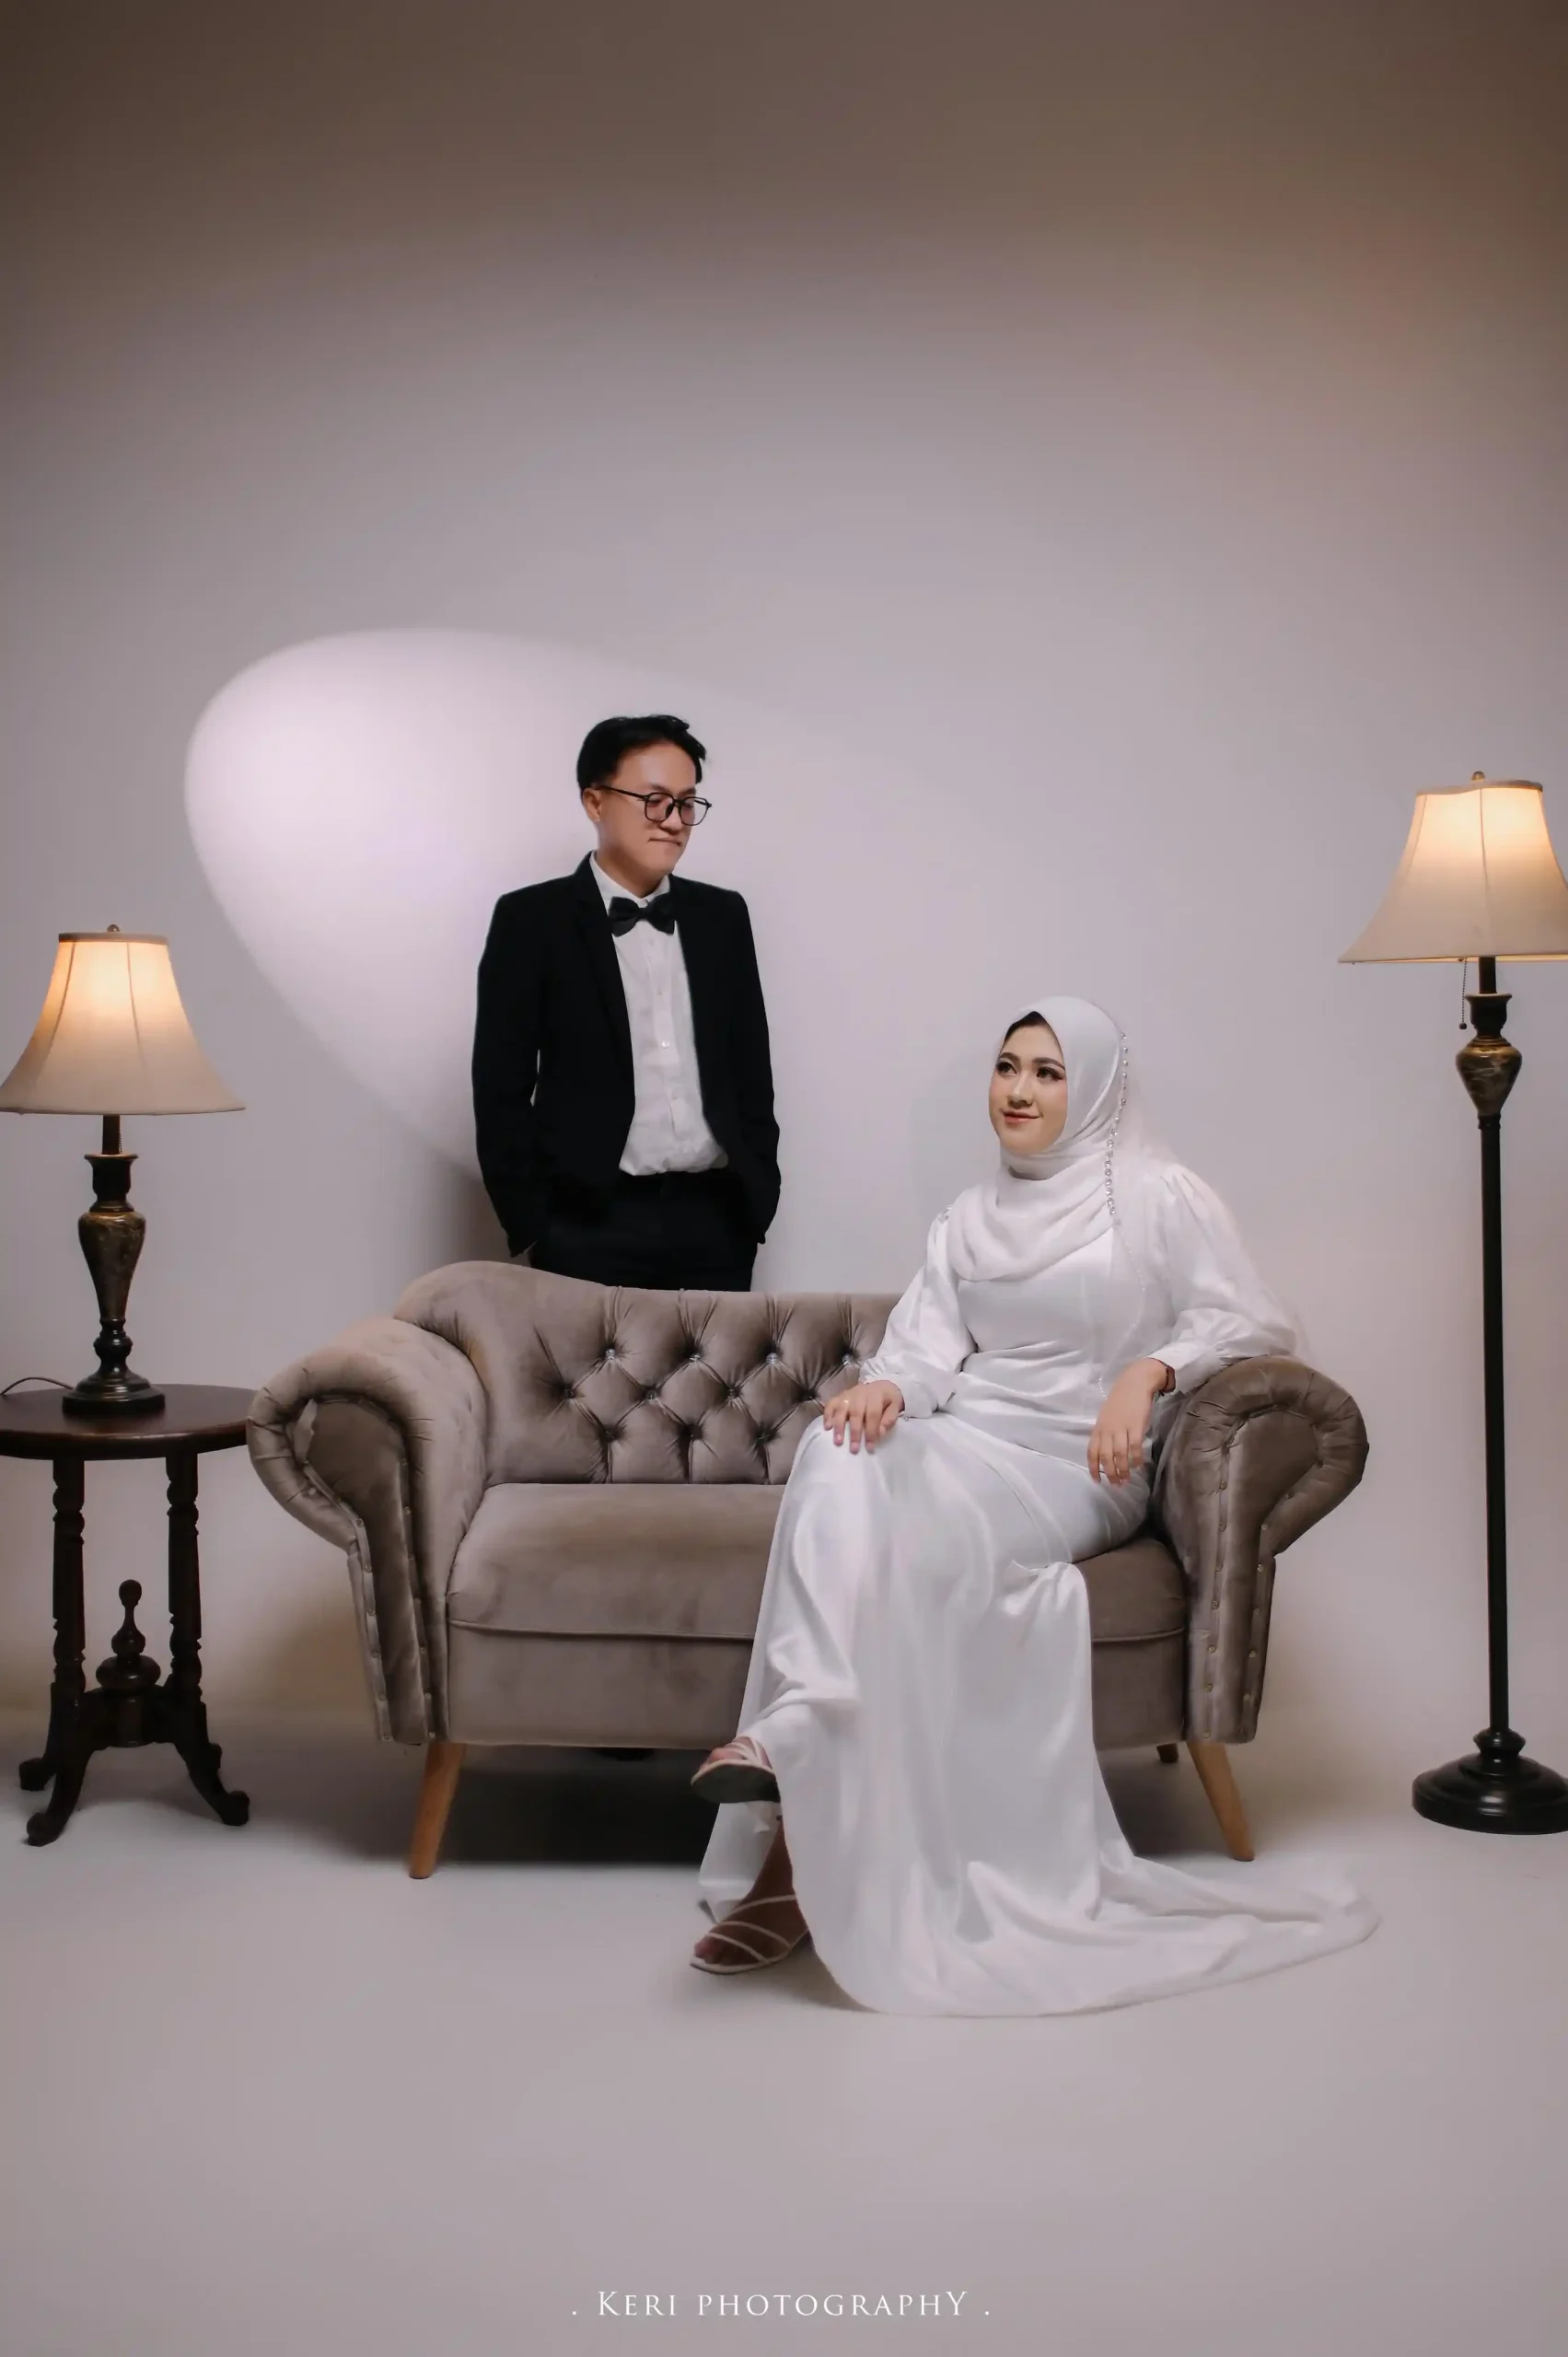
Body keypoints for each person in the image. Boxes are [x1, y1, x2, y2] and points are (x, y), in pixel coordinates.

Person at [686, 996, 1376, 2015]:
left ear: (1091, 1090)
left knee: (902, 1539)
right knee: (837, 1447)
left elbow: (1250, 1317)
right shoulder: (967, 1216)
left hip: (1075, 1466)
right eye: (1007, 1066)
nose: (1017, 1090)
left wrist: (1147, 1372)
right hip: (965, 1437)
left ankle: (793, 1856)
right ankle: (803, 1721)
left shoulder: (1155, 1196)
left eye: (1047, 1073)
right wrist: (888, 1388)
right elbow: (925, 1351)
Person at [472, 714, 779, 1290]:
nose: (675, 821)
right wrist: (535, 1224)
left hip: (717, 1219)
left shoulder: (723, 916)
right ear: (595, 801)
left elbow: (750, 1067)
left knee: (718, 1357)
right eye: (654, 801)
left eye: (687, 803)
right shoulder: (531, 920)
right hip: (589, 1223)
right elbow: (500, 1089)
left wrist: (757, 1193)